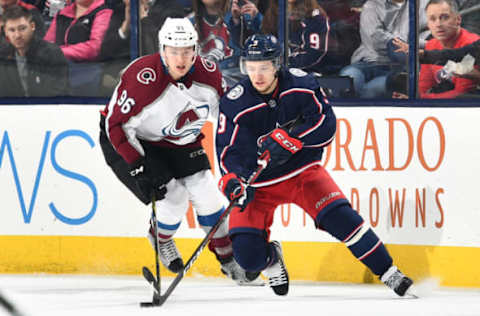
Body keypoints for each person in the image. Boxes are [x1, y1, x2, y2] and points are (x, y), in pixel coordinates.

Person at [216, 33, 415, 297]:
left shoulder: (302, 84)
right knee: (248, 258)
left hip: (302, 173)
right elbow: (227, 153)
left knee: (344, 220)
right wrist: (234, 181)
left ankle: (390, 273)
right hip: (259, 184)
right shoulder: (235, 102)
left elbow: (327, 126)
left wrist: (292, 139)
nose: (257, 75)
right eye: (251, 68)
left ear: (277, 64)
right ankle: (272, 259)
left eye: (264, 67)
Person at [99, 17, 252, 285]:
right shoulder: (142, 78)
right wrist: (137, 164)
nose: (180, 59)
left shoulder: (208, 75)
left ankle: (229, 260)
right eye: (173, 51)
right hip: (134, 142)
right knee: (174, 198)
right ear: (162, 50)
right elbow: (116, 126)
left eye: (186, 51)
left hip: (180, 139)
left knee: (209, 196)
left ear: (195, 50)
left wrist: (245, 146)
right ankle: (161, 238)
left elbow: (227, 119)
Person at [0, 5, 67, 96]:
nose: (17, 35)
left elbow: (58, 93)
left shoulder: (51, 53)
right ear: (5, 32)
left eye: (22, 28)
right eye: (12, 30)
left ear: (32, 26)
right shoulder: (3, 55)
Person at [419, 0, 480, 98]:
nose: (438, 24)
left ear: (458, 20)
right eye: (432, 19)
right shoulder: (430, 45)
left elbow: (462, 94)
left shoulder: (472, 42)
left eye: (445, 17)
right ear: (428, 24)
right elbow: (424, 86)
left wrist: (424, 99)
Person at [261, 0, 332, 75]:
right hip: (276, 70)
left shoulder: (315, 16)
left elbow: (313, 54)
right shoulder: (273, 12)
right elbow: (266, 42)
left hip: (308, 72)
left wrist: (284, 64)